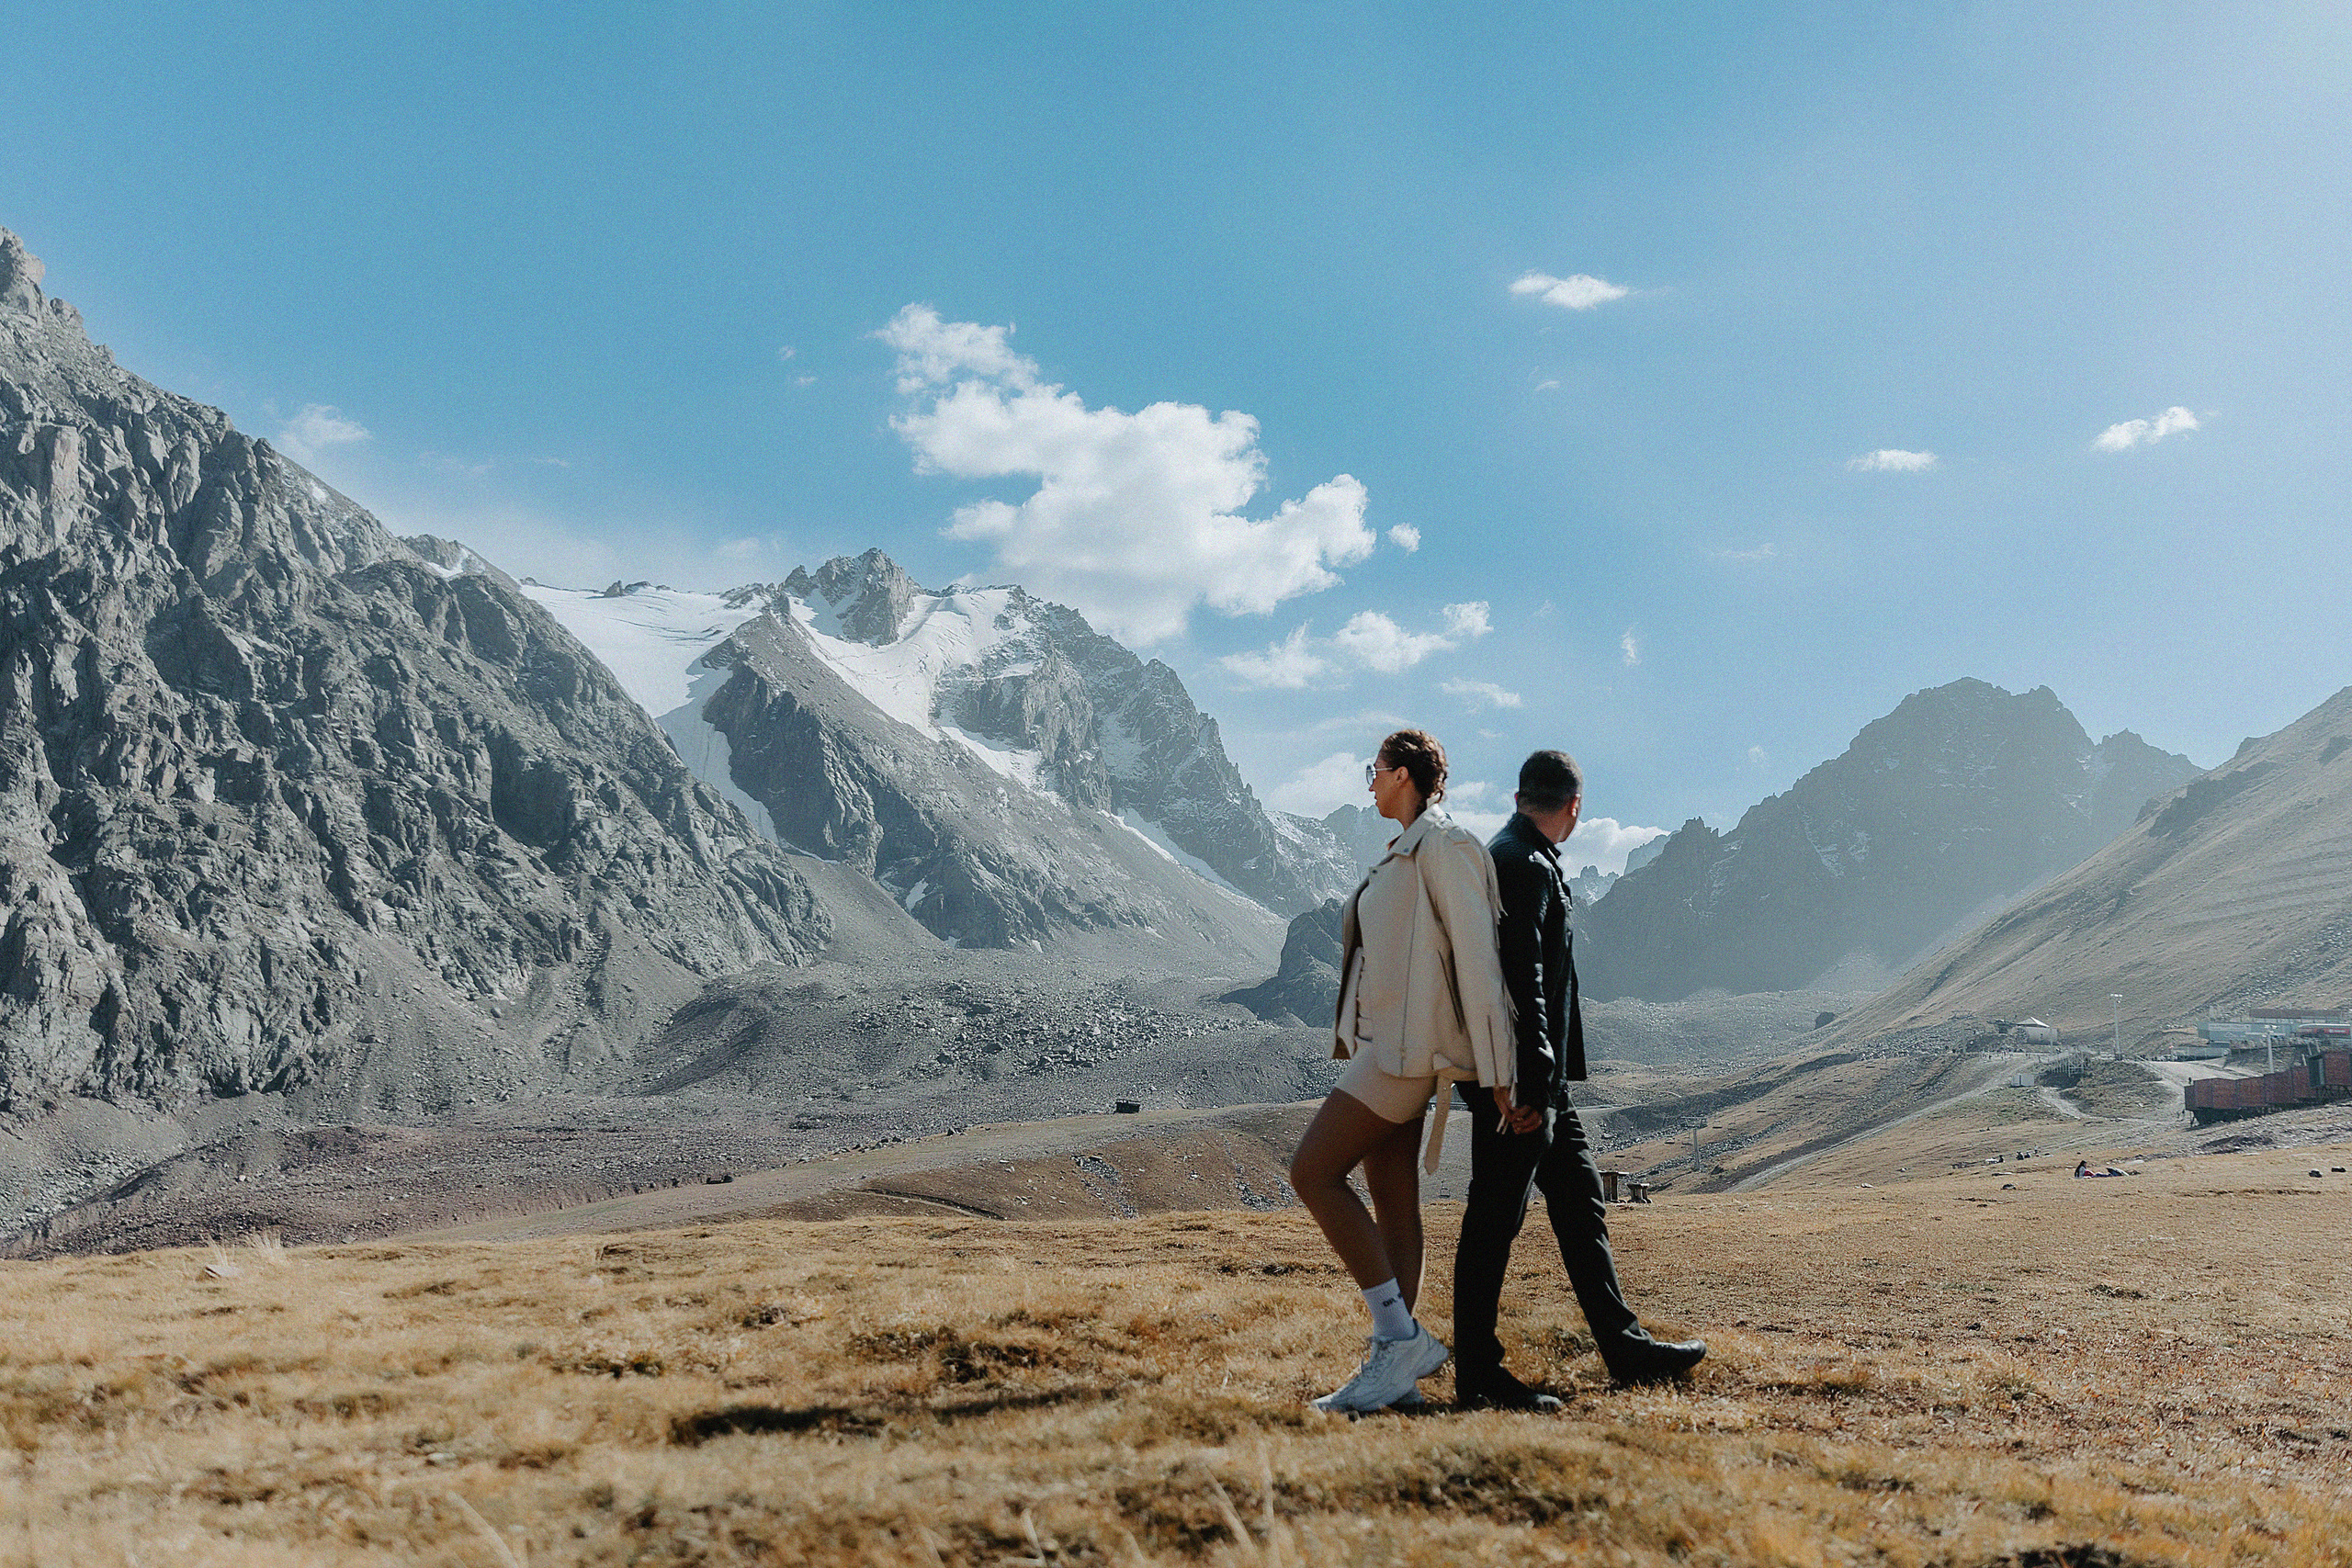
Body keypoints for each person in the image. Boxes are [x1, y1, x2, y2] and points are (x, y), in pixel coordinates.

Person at [1450, 750, 1707, 1408]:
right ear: (1574, 808)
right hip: (1521, 1080)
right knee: (1493, 1221)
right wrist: (1534, 1082)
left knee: (1580, 1201)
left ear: (1518, 795)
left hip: (1532, 1076)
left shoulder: (1508, 854)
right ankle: (1478, 1373)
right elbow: (1523, 976)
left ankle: (1625, 1346)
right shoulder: (1525, 865)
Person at [1288, 728, 1516, 1414]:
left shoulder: (1444, 847)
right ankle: (1398, 1376)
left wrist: (1500, 1071)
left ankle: (1398, 1337)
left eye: (1377, 769)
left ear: (1406, 775)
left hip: (1404, 1053)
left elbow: (1478, 958)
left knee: (1312, 1170)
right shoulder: (1402, 851)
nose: (1370, 781)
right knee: (1393, 1200)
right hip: (1383, 1045)